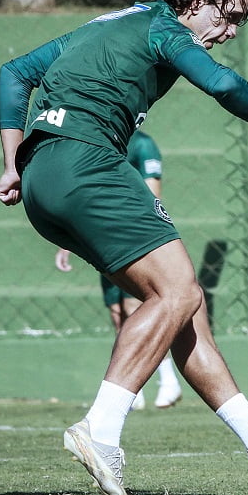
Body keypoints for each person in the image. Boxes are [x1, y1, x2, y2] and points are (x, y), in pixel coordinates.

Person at [0, 0, 248, 495]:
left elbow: (15, 73)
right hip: (87, 161)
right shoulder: (165, 29)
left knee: (181, 303)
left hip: (40, 179)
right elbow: (223, 85)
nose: (229, 32)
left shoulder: (110, 22)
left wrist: (11, 163)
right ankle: (101, 429)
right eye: (228, 16)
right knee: (178, 292)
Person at [53, 129, 182, 410]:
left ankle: (168, 380)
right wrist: (69, 242)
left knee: (137, 307)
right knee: (117, 311)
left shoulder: (143, 144)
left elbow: (153, 194)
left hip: (132, 237)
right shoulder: (97, 140)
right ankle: (135, 389)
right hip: (103, 238)